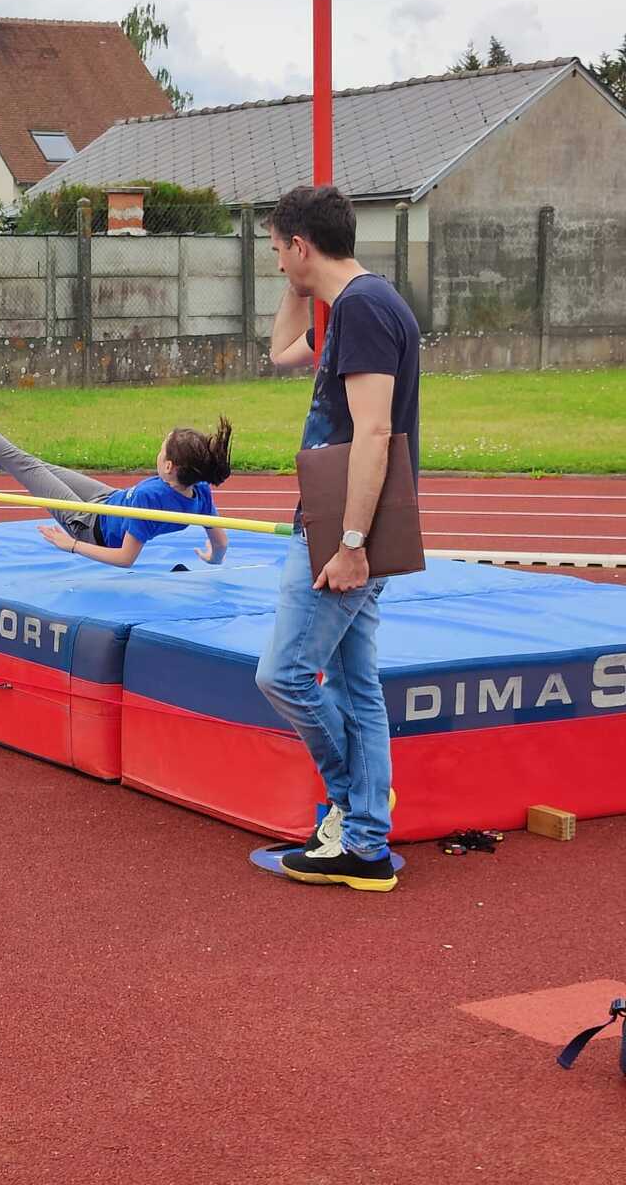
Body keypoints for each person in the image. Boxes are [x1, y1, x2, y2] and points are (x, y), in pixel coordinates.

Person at [255, 184, 421, 893]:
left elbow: (374, 431)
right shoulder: (353, 306)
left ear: (301, 245)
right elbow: (280, 351)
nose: (275, 262)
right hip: (342, 522)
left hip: (342, 530)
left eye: (278, 250)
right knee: (357, 687)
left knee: (284, 674)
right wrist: (299, 283)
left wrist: (351, 543)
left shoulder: (363, 309)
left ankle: (356, 805)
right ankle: (366, 843)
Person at [0, 352, 232, 567]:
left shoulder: (151, 499)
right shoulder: (200, 491)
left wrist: (71, 545)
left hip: (87, 525)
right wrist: (213, 558)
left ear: (168, 467)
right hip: (108, 501)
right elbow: (220, 541)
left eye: (162, 449)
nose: (158, 452)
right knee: (30, 466)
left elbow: (125, 557)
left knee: (23, 463)